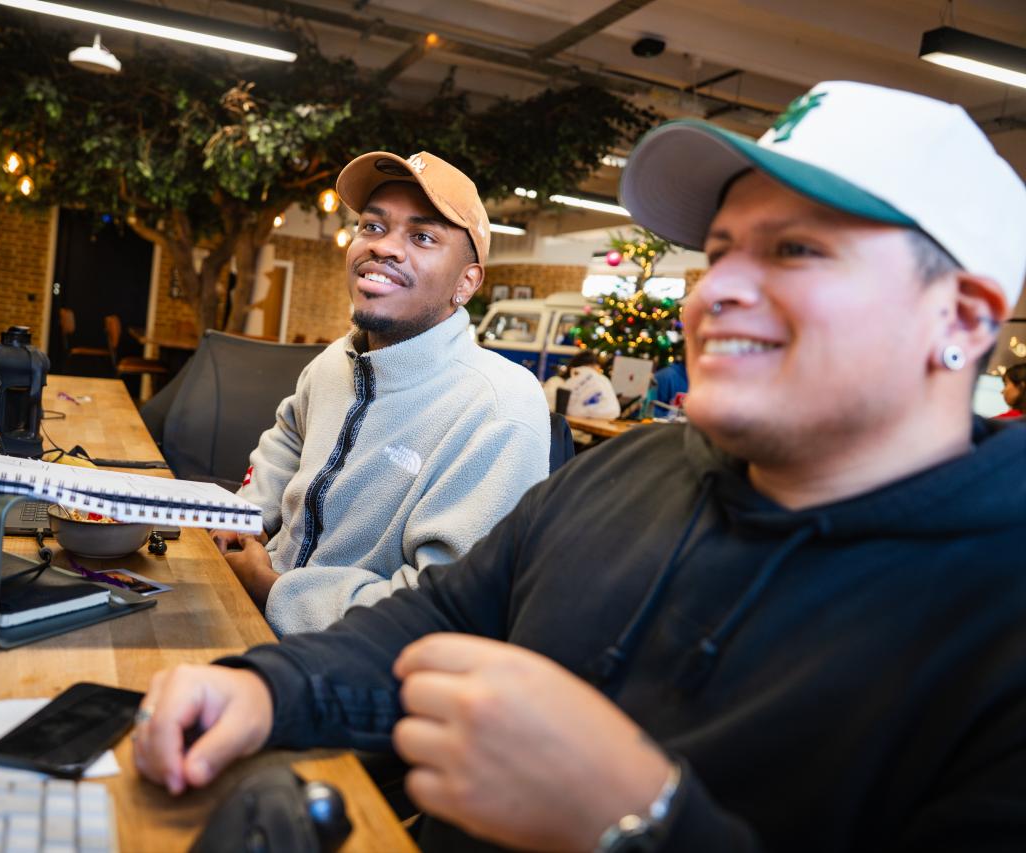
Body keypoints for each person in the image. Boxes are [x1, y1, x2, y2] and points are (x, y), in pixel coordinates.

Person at [136, 81, 1026, 851]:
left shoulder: (998, 625)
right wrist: (262, 687)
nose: (712, 292)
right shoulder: (628, 472)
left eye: (795, 249)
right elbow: (436, 619)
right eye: (717, 252)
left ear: (961, 319)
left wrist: (639, 822)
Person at [212, 150, 551, 636]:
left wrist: (274, 590)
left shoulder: (498, 409)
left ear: (467, 281)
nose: (385, 248)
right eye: (373, 227)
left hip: (347, 670)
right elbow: (289, 434)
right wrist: (244, 516)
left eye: (423, 236)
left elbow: (446, 608)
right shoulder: (335, 362)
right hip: (244, 607)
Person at [542, 350, 621, 420]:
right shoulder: (556, 383)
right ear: (574, 370)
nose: (594, 377)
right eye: (590, 372)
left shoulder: (590, 389)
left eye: (597, 373)